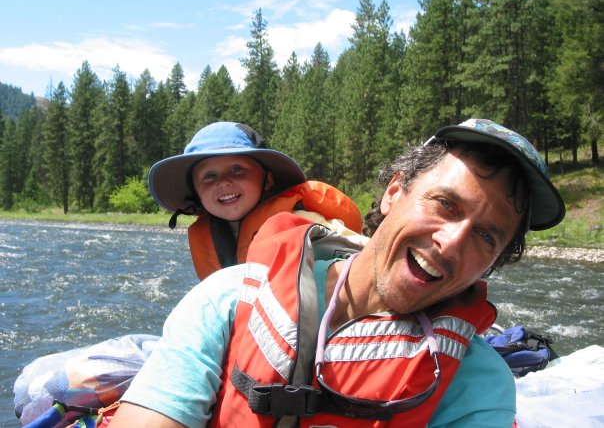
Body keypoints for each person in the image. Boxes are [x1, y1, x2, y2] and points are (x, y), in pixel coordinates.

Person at [111, 119, 566, 427]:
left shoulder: (479, 385)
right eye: (445, 204)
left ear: (494, 261)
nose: (452, 242)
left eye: (486, 236)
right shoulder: (228, 299)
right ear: (394, 192)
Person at [148, 121, 364, 280]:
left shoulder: (302, 222)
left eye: (236, 169)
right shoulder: (210, 234)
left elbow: (366, 258)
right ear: (196, 192)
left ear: (267, 180)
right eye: (209, 176)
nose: (223, 182)